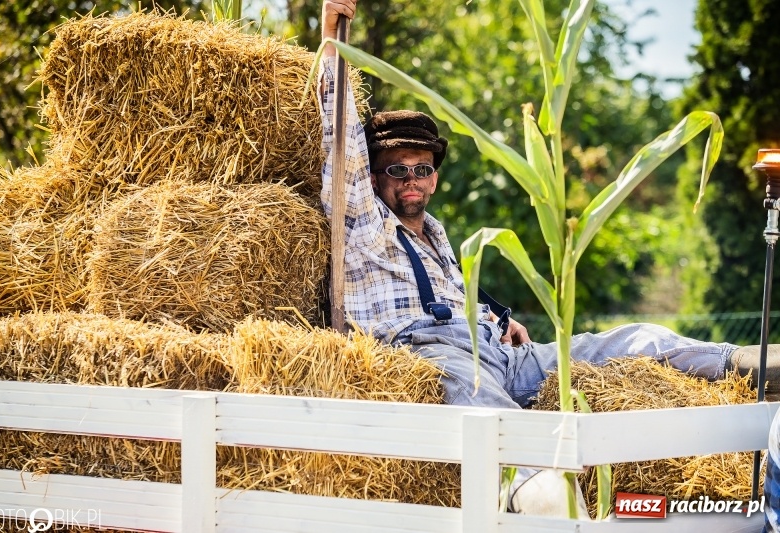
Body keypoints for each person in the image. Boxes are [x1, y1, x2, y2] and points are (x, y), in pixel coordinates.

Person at [319, 0, 780, 516]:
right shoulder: (363, 223)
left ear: (435, 175)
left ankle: (740, 363)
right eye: (396, 170)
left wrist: (498, 319)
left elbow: (451, 294)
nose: (411, 181)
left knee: (624, 341)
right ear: (375, 176)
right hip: (425, 353)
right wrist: (332, 38)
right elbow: (340, 141)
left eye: (421, 169)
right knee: (480, 405)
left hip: (495, 353)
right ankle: (536, 486)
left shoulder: (438, 235)